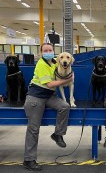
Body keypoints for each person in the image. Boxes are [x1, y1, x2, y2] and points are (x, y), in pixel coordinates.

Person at [23, 43, 73, 171]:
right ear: (41, 53)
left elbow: (65, 67)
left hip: (49, 96)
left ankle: (58, 134)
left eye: (50, 50)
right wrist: (66, 81)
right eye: (45, 50)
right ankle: (29, 160)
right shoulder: (41, 64)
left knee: (65, 106)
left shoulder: (54, 63)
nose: (48, 52)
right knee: (34, 129)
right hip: (36, 96)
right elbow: (50, 83)